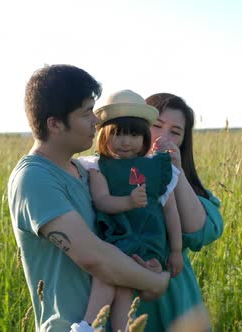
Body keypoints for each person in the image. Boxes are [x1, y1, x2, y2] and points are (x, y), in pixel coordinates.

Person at [7, 65, 170, 332]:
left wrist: (143, 263)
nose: (96, 122)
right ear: (55, 123)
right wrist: (156, 281)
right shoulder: (35, 178)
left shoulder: (84, 171)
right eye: (86, 114)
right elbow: (95, 257)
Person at [77, 90, 183, 331]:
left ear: (144, 137)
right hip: (117, 237)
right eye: (118, 134)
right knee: (109, 279)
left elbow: (170, 211)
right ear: (104, 135)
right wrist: (128, 202)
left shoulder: (156, 168)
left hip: (148, 240)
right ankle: (87, 326)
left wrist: (175, 250)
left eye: (134, 135)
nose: (126, 142)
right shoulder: (98, 167)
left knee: (127, 289)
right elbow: (102, 200)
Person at [135, 93, 225, 331]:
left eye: (175, 132)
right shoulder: (108, 174)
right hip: (125, 297)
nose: (164, 138)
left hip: (175, 299)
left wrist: (176, 172)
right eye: (156, 126)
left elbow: (199, 232)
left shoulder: (191, 189)